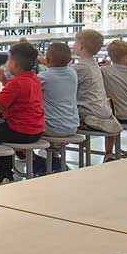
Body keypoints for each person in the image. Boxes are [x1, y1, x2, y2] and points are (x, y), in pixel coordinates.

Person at [0, 41, 45, 185]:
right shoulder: (33, 78)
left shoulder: (16, 83)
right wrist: (4, 81)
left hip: (19, 129)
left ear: (14, 63)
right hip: (36, 129)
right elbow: (17, 95)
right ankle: (6, 175)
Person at [72, 29, 121, 156]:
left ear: (81, 46)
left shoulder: (80, 67)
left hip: (88, 111)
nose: (73, 44)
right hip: (104, 110)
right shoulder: (93, 64)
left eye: (75, 42)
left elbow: (62, 77)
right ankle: (109, 153)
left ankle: (54, 153)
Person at [36, 43, 78, 174]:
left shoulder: (44, 77)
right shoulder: (73, 73)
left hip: (52, 128)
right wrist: (43, 59)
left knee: (23, 128)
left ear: (47, 60)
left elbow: (27, 88)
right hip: (72, 125)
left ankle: (38, 163)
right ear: (70, 60)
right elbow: (56, 65)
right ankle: (55, 161)